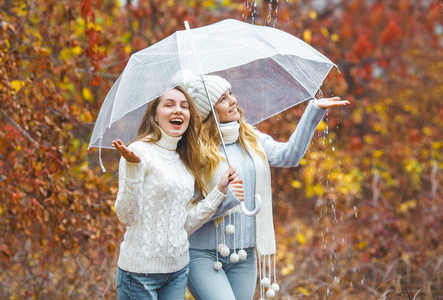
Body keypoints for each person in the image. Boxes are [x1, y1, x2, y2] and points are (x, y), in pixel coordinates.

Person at [184, 75, 350, 300]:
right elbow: (190, 212)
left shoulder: (250, 137)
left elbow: (288, 156)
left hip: (245, 253)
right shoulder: (194, 150)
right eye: (222, 99)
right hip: (202, 255)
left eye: (230, 93)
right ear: (208, 111)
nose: (233, 101)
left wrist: (313, 111)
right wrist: (227, 197)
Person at [112, 86, 244, 300]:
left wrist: (219, 191)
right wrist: (133, 168)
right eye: (169, 105)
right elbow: (126, 216)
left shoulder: (185, 159)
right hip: (138, 275)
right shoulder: (138, 152)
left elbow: (185, 225)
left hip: (177, 272)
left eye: (184, 106)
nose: (178, 110)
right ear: (155, 115)